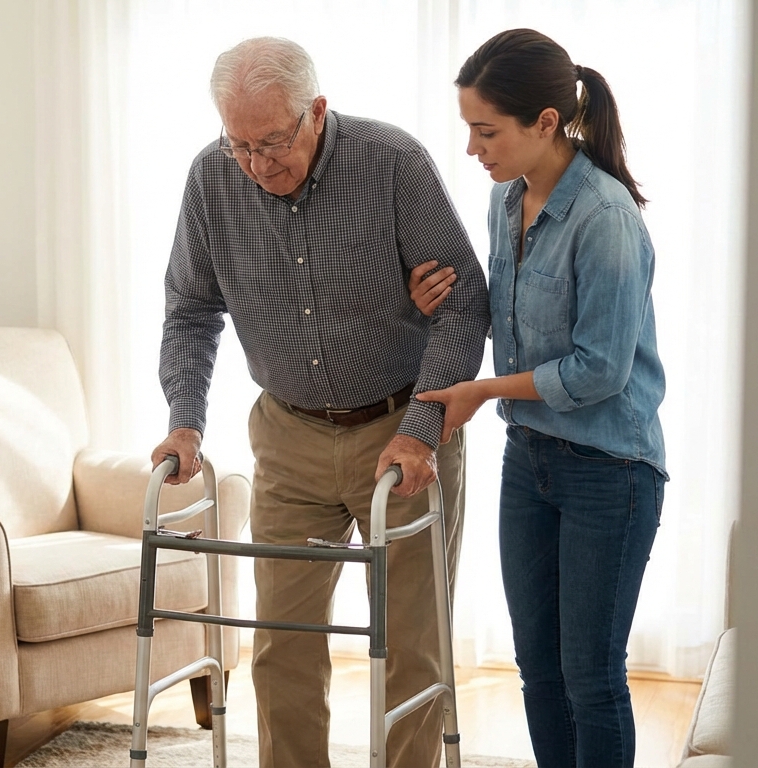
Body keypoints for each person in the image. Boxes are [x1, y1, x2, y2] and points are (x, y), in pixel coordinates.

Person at [151, 36, 489, 768]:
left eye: (273, 141)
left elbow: (464, 305)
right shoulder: (212, 179)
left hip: (402, 433)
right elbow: (189, 308)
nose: (257, 163)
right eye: (239, 143)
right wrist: (185, 419)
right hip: (289, 437)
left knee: (412, 648)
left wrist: (424, 429)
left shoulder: (393, 164)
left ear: (317, 112)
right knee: (282, 648)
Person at [413, 28, 667, 768]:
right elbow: (513, 317)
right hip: (530, 459)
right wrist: (429, 300)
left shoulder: (608, 220)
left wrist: (485, 388)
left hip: (609, 471)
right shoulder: (505, 201)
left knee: (591, 676)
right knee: (539, 669)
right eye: (469, 129)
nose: (473, 149)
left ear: (546, 123)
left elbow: (598, 371)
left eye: (486, 131)